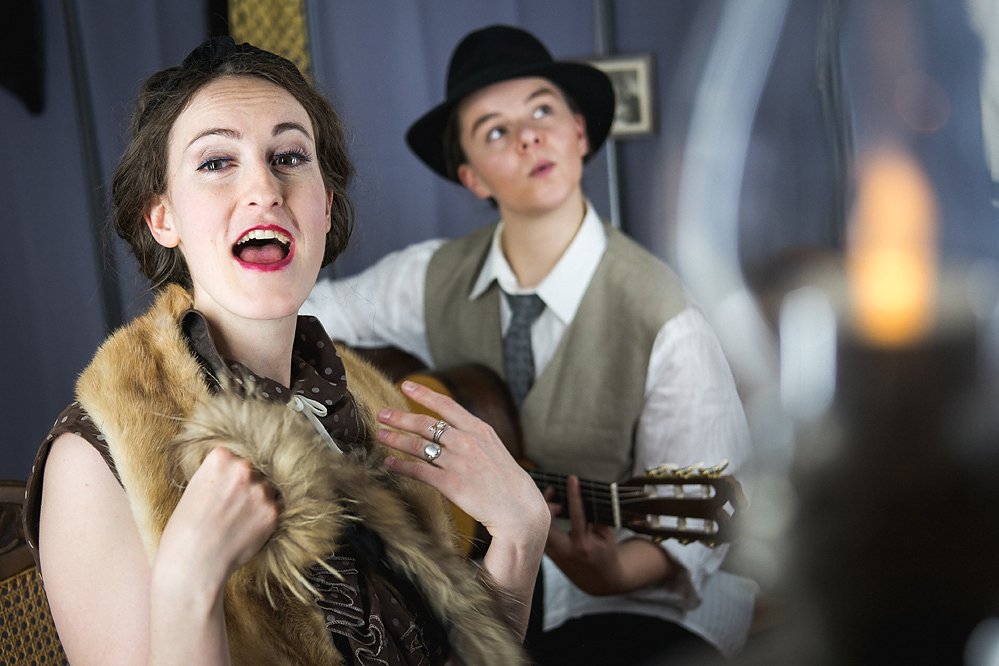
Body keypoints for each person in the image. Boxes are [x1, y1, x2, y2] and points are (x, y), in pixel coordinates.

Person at [23, 36, 551, 665]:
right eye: (216, 162)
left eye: (290, 156)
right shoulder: (95, 460)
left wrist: (521, 535)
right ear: (163, 218)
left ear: (325, 206)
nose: (264, 187)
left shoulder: (369, 402)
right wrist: (189, 583)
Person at [305, 24, 756, 665]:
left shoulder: (666, 318)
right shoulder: (429, 276)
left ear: (579, 133)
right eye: (495, 131)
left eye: (542, 111)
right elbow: (298, 313)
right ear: (472, 177)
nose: (527, 137)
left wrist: (613, 571)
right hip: (476, 588)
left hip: (628, 605)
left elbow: (698, 534)